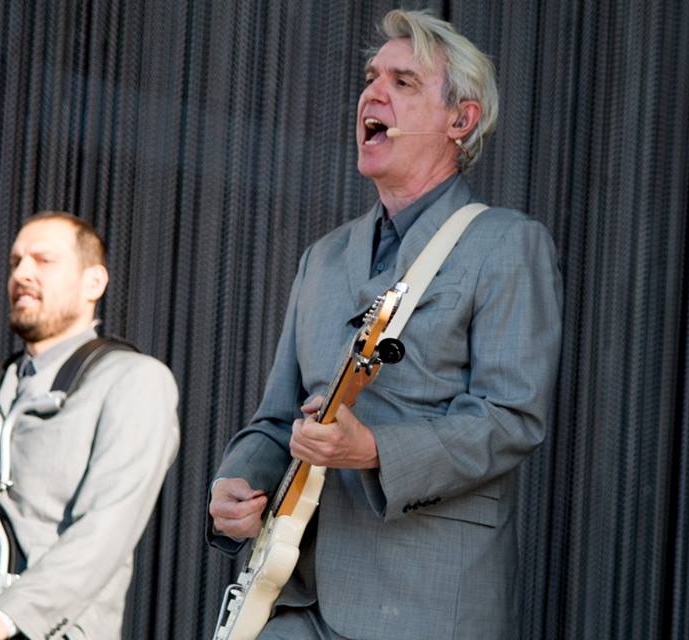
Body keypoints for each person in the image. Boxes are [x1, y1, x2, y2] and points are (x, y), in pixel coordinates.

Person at [208, 9, 561, 639]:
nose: (372, 93)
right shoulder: (323, 256)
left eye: (403, 82)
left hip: (425, 602)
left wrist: (373, 451)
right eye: (372, 77)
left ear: (461, 121)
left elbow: (511, 418)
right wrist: (239, 483)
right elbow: (276, 418)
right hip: (293, 593)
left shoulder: (507, 243)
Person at [0, 213, 180, 640]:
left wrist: (6, 618)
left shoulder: (134, 379)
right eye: (16, 262)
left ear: (94, 283)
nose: (22, 274)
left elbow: (107, 528)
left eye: (43, 260)